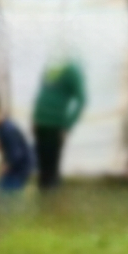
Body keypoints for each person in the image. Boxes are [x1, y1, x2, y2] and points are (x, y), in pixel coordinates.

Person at [32, 59, 86, 190]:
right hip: (40, 123)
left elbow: (82, 100)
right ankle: (44, 190)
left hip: (56, 125)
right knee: (42, 163)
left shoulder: (72, 70)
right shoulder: (50, 67)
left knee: (52, 165)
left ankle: (51, 191)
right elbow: (42, 93)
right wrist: (34, 119)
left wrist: (67, 125)